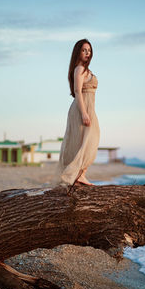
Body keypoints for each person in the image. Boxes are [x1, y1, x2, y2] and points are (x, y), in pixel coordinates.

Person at [56, 38, 100, 186]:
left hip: (89, 108)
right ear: (78, 52)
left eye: (89, 50)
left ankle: (81, 174)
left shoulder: (86, 70)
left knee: (90, 141)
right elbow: (77, 91)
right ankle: (79, 175)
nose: (87, 53)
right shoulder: (79, 69)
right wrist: (84, 113)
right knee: (86, 141)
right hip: (82, 109)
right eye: (84, 50)